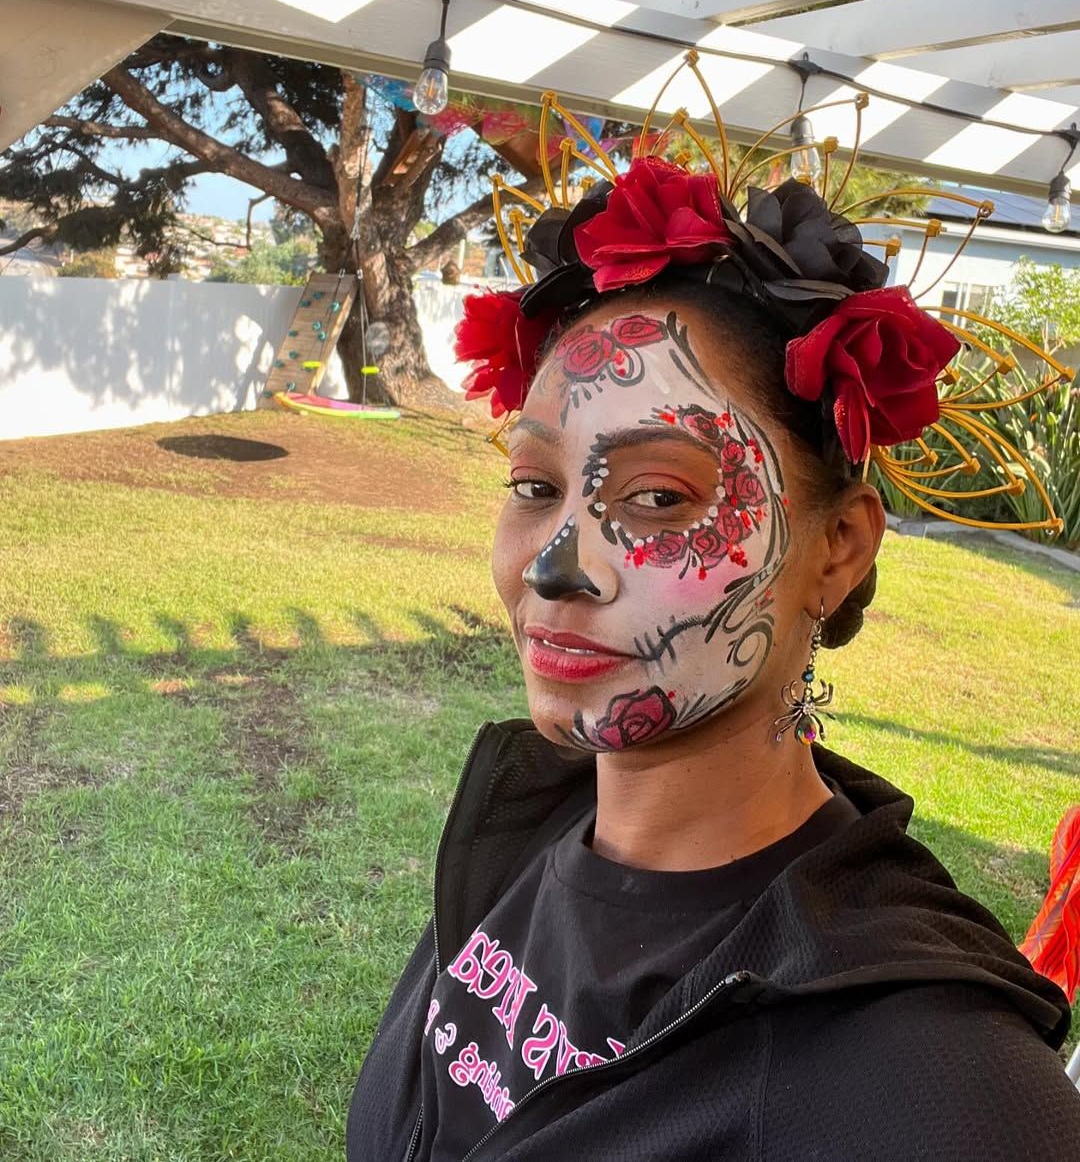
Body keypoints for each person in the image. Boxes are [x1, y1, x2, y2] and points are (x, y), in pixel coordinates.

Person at [346, 103, 1080, 1161]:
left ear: (838, 547)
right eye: (535, 486)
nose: (553, 567)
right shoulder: (521, 828)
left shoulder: (938, 1082)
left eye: (657, 498)